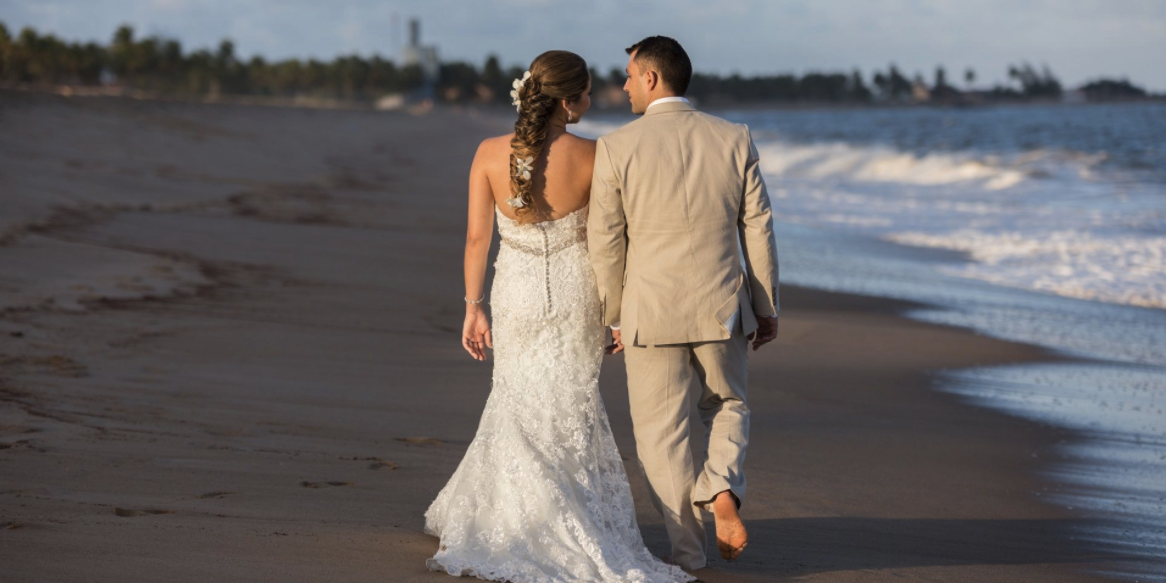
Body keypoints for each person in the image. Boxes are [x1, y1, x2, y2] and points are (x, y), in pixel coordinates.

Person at [423, 49, 695, 583]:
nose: (593, 100)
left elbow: (478, 240)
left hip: (515, 296)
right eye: (589, 92)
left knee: (517, 399)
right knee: (570, 404)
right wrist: (616, 314)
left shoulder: (486, 153)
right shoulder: (598, 155)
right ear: (569, 101)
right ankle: (564, 516)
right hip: (577, 296)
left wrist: (473, 308)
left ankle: (514, 518)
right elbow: (611, 241)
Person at [588, 36, 780, 570]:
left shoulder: (616, 147)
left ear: (651, 78)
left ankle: (686, 554)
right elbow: (758, 230)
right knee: (728, 405)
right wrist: (765, 306)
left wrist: (615, 316)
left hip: (649, 312)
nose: (624, 84)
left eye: (629, 74)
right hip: (722, 305)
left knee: (660, 436)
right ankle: (721, 490)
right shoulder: (733, 137)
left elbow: (605, 242)